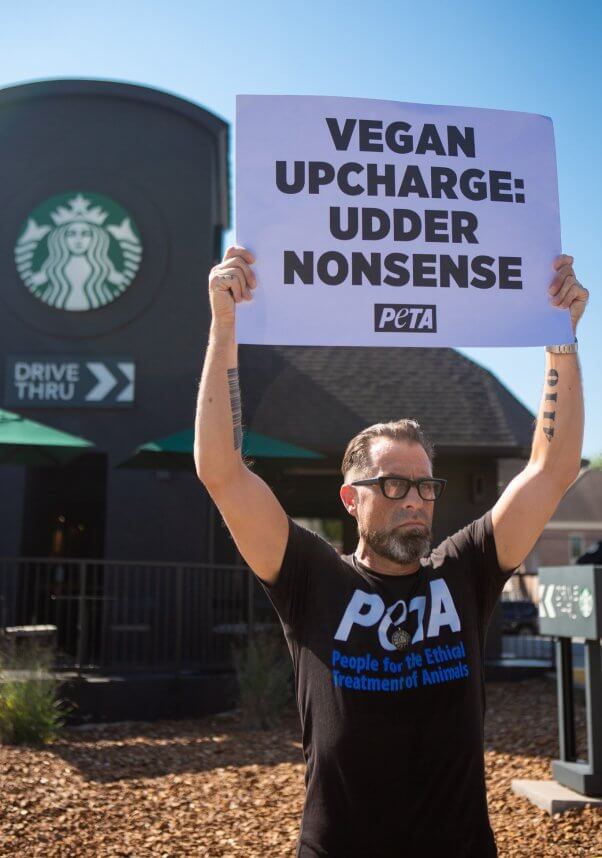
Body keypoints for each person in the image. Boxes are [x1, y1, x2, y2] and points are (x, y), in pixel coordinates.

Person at [194, 245, 588, 858]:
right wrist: (225, 326)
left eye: (425, 486)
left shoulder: (467, 571)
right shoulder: (311, 578)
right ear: (351, 499)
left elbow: (553, 468)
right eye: (395, 485)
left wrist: (559, 338)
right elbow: (222, 470)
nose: (416, 501)